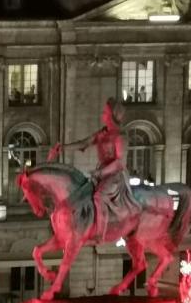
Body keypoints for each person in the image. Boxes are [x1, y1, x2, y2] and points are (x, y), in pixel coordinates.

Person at [49, 98, 138, 245]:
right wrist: (62, 148)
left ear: (112, 116)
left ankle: (100, 234)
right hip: (101, 173)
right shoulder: (103, 133)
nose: (102, 115)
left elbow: (119, 163)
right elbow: (84, 143)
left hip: (115, 175)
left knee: (98, 195)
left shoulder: (120, 137)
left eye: (105, 112)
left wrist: (100, 173)